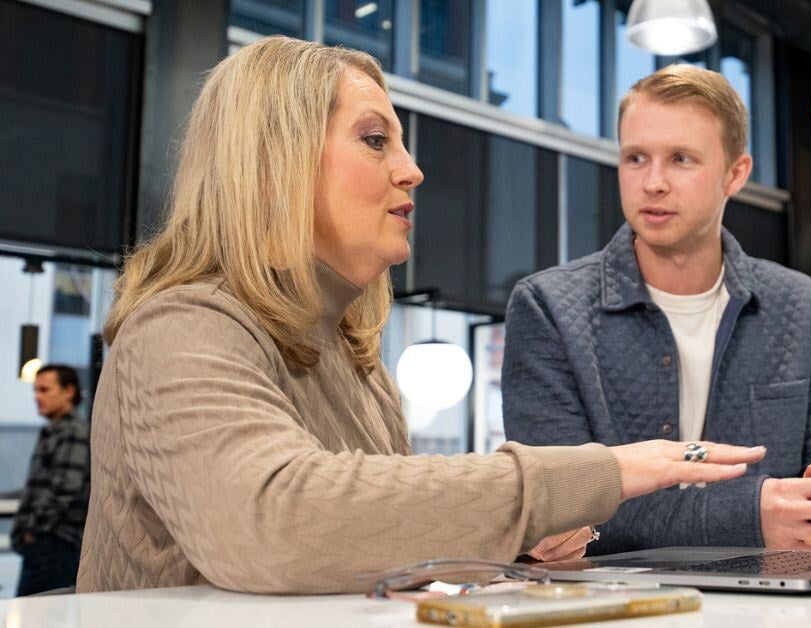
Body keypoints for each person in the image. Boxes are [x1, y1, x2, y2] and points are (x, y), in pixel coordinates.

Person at [76, 36, 765, 595]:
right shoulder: (181, 326)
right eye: (376, 140)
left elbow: (364, 549)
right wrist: (594, 475)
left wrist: (506, 541)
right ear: (274, 162)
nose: (412, 170)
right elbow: (278, 523)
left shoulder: (353, 355)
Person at [502, 65, 811, 554]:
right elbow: (560, 511)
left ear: (735, 173)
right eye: (635, 158)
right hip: (618, 600)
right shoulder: (547, 308)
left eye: (681, 159)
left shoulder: (800, 304)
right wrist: (751, 515)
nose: (653, 182)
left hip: (777, 593)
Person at [11, 364, 89, 596]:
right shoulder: (54, 431)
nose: (37, 396)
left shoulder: (73, 431)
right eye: (36, 390)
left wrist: (33, 531)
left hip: (55, 544)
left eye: (45, 390)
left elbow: (66, 488)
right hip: (47, 544)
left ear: (69, 391)